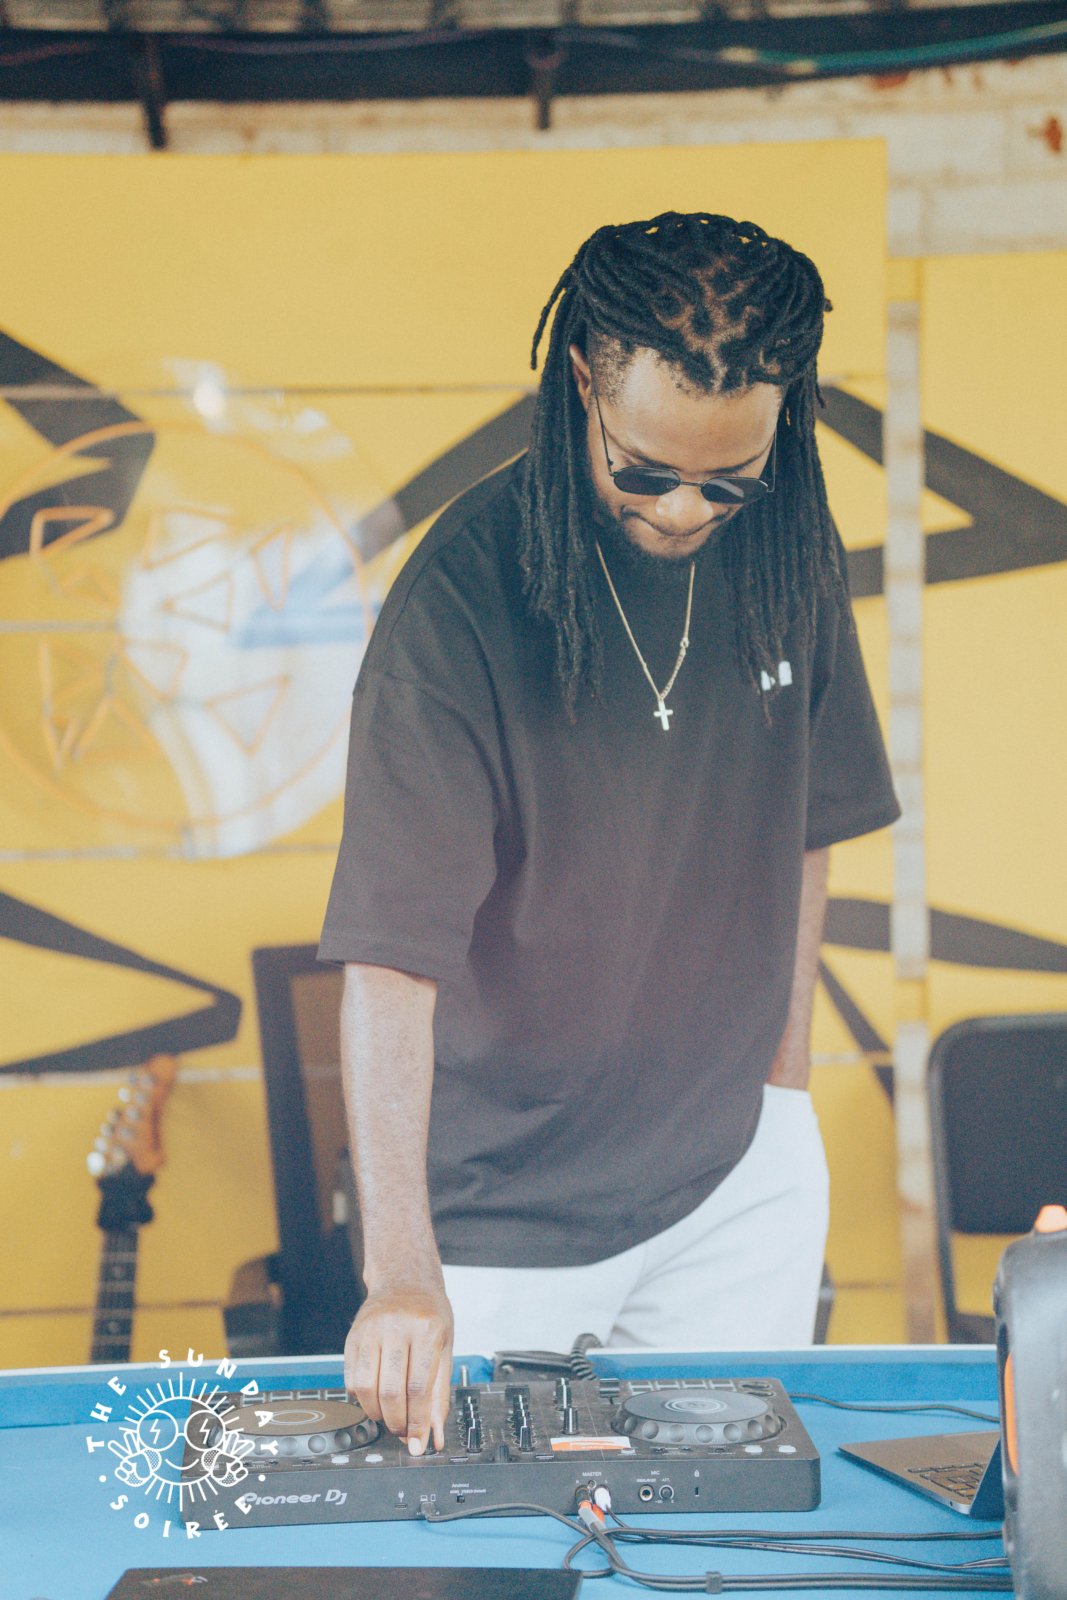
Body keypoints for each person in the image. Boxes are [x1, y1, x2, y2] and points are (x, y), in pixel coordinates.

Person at [319, 211, 899, 1458]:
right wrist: (402, 1267)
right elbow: (389, 959)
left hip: (731, 1174)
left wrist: (783, 1089)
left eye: (726, 479)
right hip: (506, 1218)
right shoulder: (458, 603)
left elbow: (811, 823)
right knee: (496, 1545)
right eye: (643, 472)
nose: (685, 508)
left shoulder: (788, 545)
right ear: (582, 376)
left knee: (728, 1540)